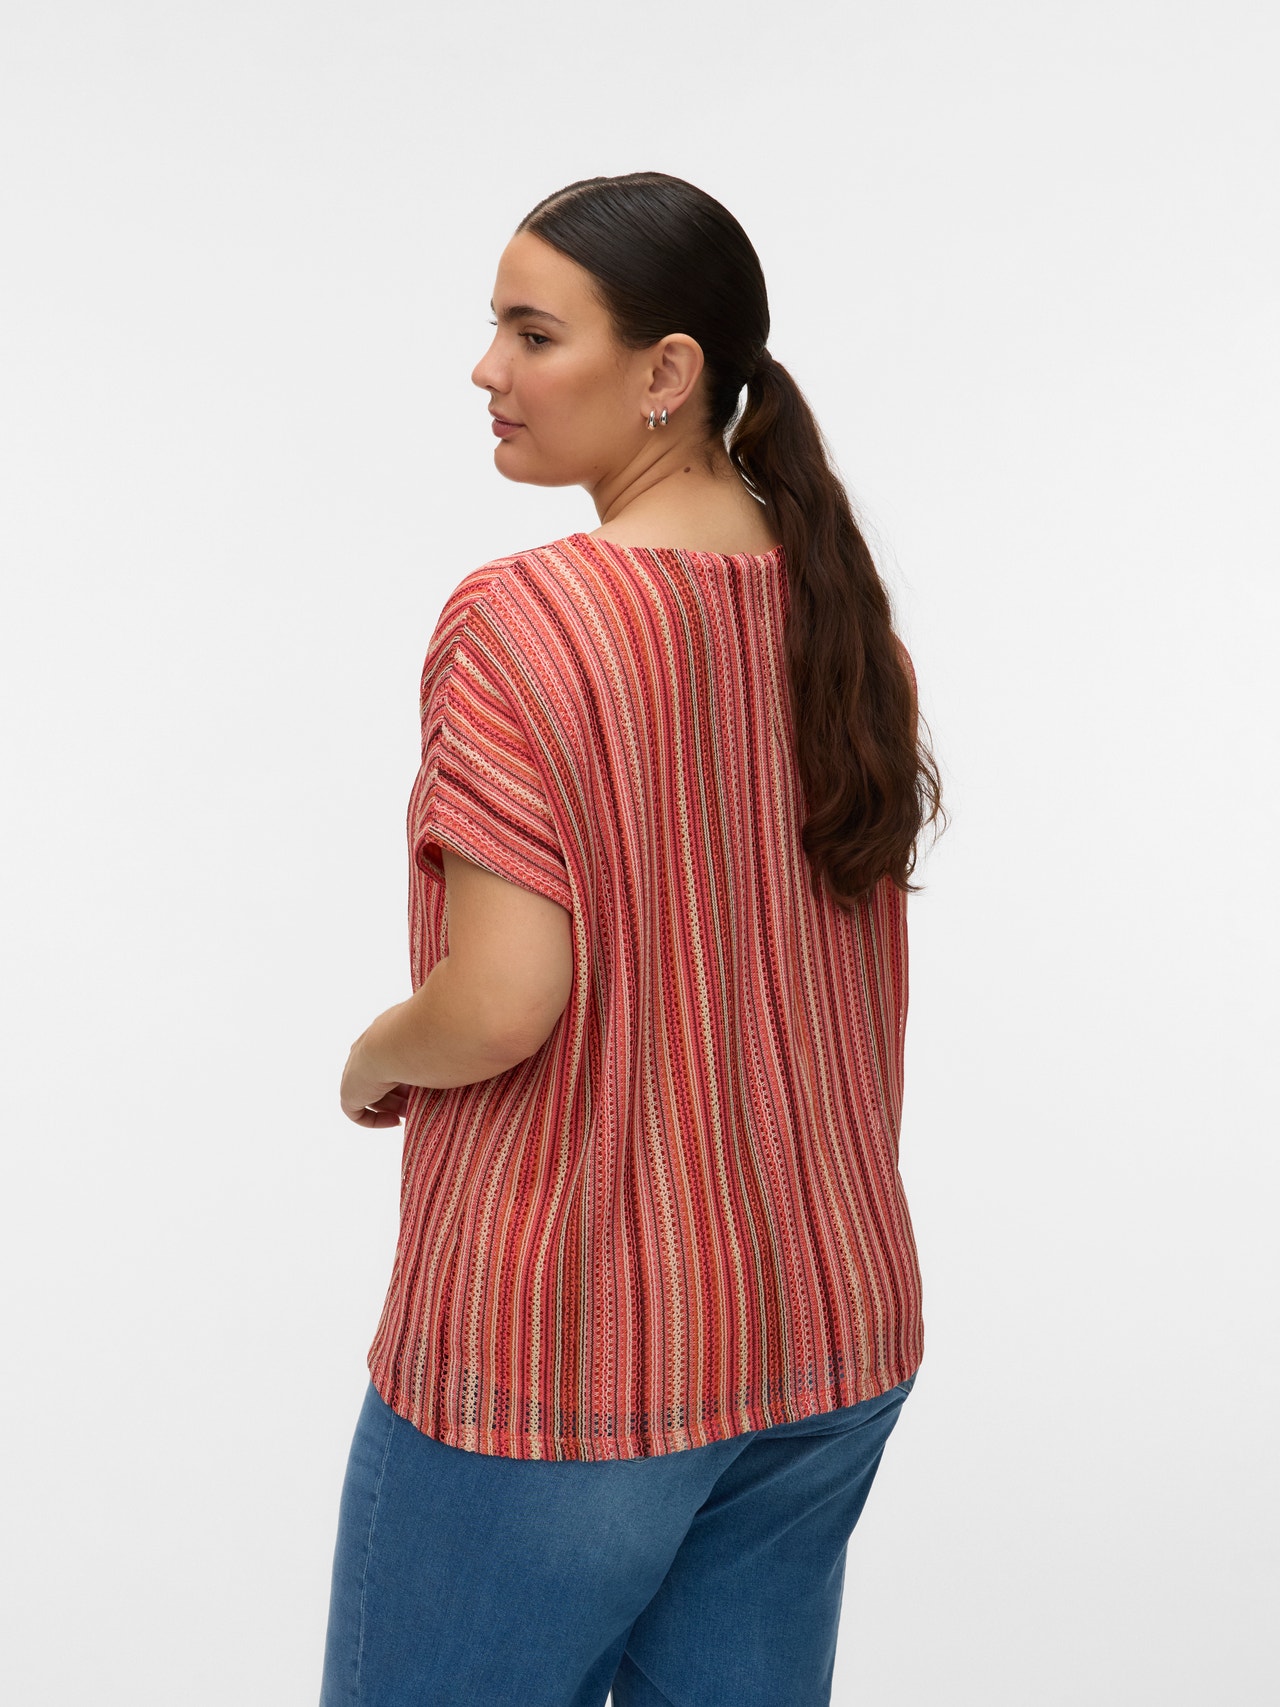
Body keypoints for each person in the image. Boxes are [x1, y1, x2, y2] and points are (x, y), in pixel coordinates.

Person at [320, 171, 946, 1707]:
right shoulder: (837, 616)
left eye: (535, 335)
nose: (488, 369)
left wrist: (371, 1059)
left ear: (668, 371)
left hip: (572, 1353)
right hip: (825, 1322)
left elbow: (500, 1002)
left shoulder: (525, 620)